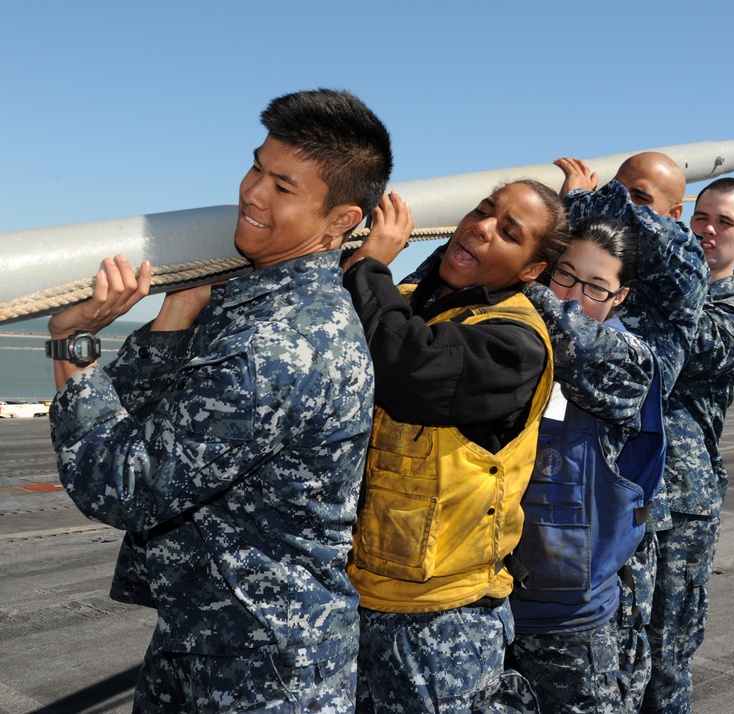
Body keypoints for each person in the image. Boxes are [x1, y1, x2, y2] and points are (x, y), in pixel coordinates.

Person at [44, 88, 392, 711]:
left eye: (282, 187)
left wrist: (71, 342)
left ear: (341, 219)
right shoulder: (252, 305)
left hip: (264, 674)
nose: (252, 192)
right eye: (256, 166)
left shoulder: (282, 341)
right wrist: (178, 309)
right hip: (206, 641)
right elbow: (139, 422)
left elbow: (124, 480)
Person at [340, 180, 569, 711]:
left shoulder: (514, 343)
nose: (482, 227)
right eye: (483, 211)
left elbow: (407, 369)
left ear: (531, 270)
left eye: (508, 232)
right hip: (357, 595)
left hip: (439, 621)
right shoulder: (413, 303)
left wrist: (366, 267)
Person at [553, 153, 710, 707]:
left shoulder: (678, 274)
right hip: (549, 522)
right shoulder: (581, 265)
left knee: (630, 675)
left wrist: (582, 199)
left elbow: (663, 242)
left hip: (613, 529)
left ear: (676, 212)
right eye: (621, 192)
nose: (626, 208)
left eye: (643, 200)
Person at [625, 177, 734, 714]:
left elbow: (689, 340)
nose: (708, 231)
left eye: (725, 222)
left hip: (681, 508)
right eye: (700, 218)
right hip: (611, 494)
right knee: (606, 650)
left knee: (665, 657)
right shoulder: (639, 288)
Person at [505, 214, 667, 712]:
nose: (574, 297)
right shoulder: (512, 342)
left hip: (573, 625)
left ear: (621, 297)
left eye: (596, 287)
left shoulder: (625, 360)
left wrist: (511, 273)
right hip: (493, 610)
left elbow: (573, 339)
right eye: (565, 275)